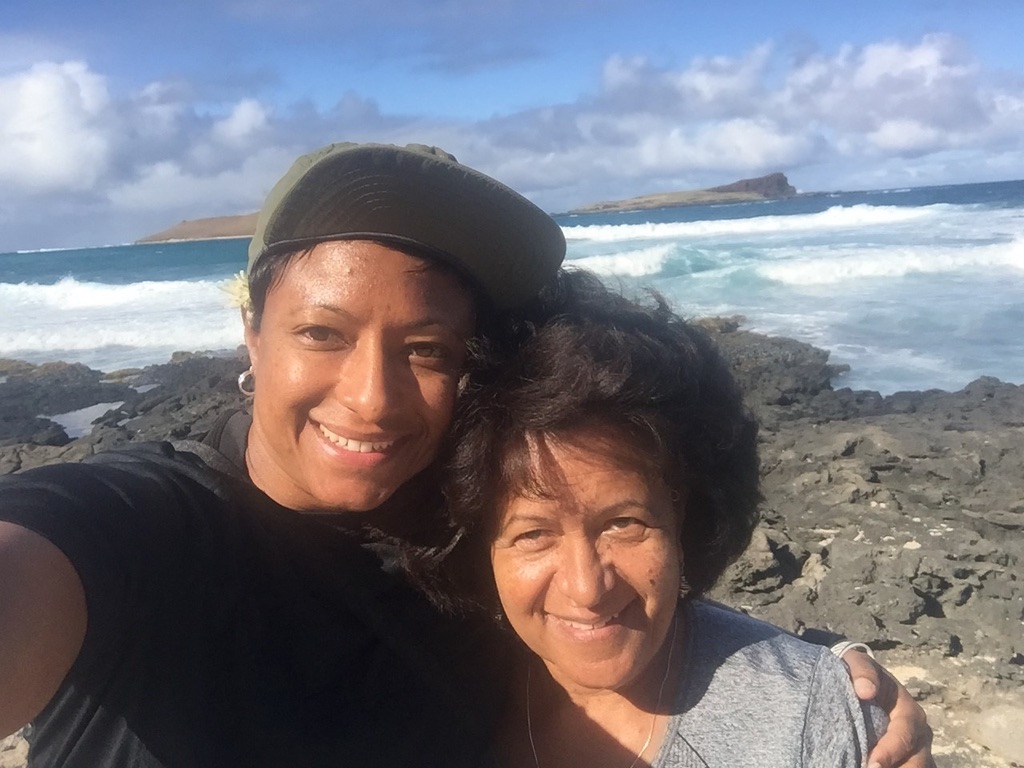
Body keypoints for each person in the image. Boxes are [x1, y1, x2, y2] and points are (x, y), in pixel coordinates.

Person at [0, 143, 930, 767]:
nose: (373, 397)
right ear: (251, 332)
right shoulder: (133, 525)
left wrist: (819, 692)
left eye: (427, 349)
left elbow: (597, 568)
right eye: (322, 332)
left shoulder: (460, 533)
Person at [440, 269, 920, 767]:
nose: (587, 589)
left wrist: (828, 679)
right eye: (534, 534)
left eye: (624, 524)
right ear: (478, 545)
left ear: (684, 515)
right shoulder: (429, 686)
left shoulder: (804, 721)